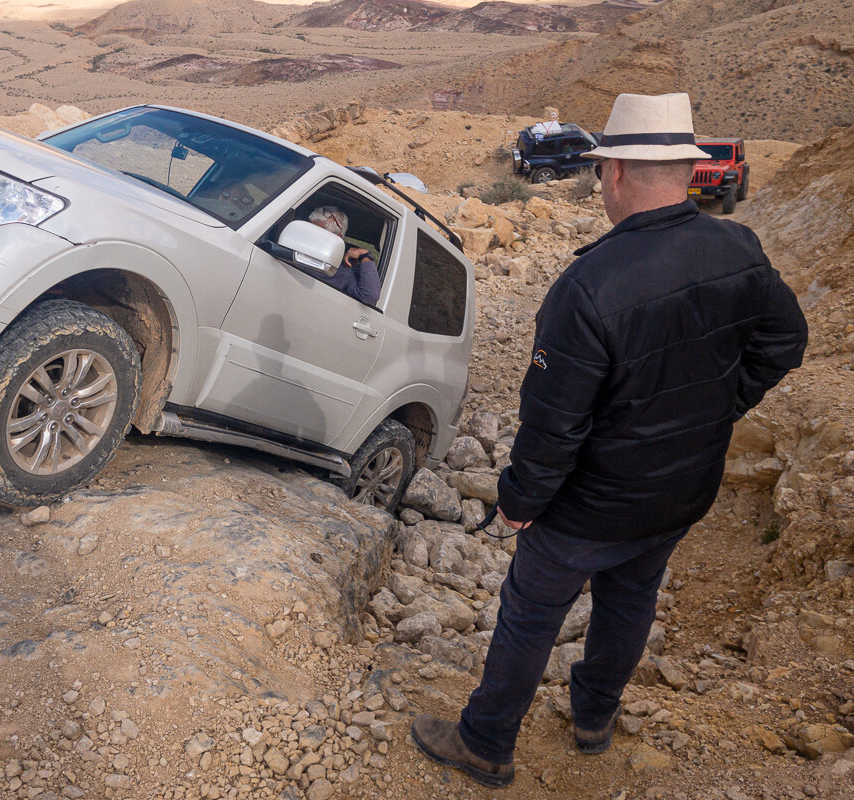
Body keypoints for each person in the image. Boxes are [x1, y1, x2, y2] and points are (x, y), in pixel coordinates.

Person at [410, 93, 808, 788]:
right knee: (631, 599)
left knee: (530, 615)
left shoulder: (588, 286)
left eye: (599, 173)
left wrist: (519, 500)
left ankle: (486, 742)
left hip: (588, 508)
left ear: (616, 172)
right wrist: (717, 409)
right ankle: (594, 719)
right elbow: (786, 342)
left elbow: (553, 424)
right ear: (686, 170)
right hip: (681, 491)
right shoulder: (738, 248)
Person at [308, 206, 381, 306]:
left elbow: (370, 295)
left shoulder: (346, 270)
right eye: (310, 231)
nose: (311, 237)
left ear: (336, 238)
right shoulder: (297, 244)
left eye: (318, 234)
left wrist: (364, 255)